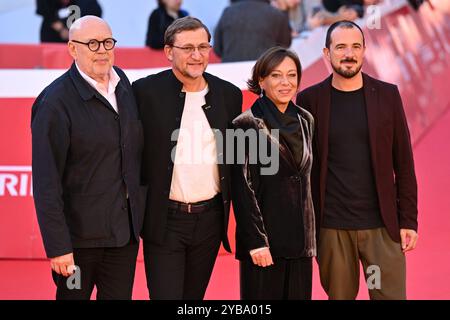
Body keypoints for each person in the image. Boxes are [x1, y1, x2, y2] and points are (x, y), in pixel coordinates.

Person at [296, 20, 418, 300]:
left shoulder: (387, 96)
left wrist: (408, 219)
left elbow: (404, 162)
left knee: (387, 297)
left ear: (364, 51)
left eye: (355, 47)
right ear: (327, 53)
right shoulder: (310, 101)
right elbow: (301, 169)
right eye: (340, 47)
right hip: (332, 230)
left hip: (380, 230)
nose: (348, 54)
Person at [31, 16, 146, 300]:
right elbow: (46, 183)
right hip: (77, 245)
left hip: (123, 240)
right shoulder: (54, 102)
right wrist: (58, 247)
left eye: (108, 42)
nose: (102, 50)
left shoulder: (122, 83)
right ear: (72, 48)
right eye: (92, 44)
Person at [133, 16, 243, 300]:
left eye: (203, 47)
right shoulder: (144, 92)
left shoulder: (228, 95)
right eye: (188, 48)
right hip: (164, 219)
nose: (197, 55)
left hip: (209, 221)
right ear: (169, 51)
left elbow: (233, 157)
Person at [232, 46, 316, 300]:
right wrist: (256, 241)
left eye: (292, 75)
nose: (285, 82)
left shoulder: (306, 119)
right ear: (261, 80)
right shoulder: (242, 124)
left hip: (301, 244)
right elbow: (241, 188)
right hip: (263, 245)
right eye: (277, 75)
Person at [213, 0, 292, 62]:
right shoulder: (276, 14)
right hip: (263, 70)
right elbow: (284, 45)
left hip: (231, 72)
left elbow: (217, 48)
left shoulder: (228, 12)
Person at [36, 0, 102, 43]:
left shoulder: (87, 4)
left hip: (80, 41)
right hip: (53, 41)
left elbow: (95, 14)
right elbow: (46, 13)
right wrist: (61, 29)